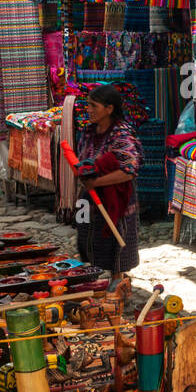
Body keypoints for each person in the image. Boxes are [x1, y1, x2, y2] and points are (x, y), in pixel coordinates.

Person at [74, 85, 142, 278]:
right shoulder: (88, 132)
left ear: (109, 108)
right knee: (85, 233)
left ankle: (117, 282)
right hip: (87, 197)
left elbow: (129, 171)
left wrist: (97, 182)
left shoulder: (122, 134)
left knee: (114, 239)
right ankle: (91, 277)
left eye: (93, 106)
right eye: (88, 105)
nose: (88, 110)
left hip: (116, 199)